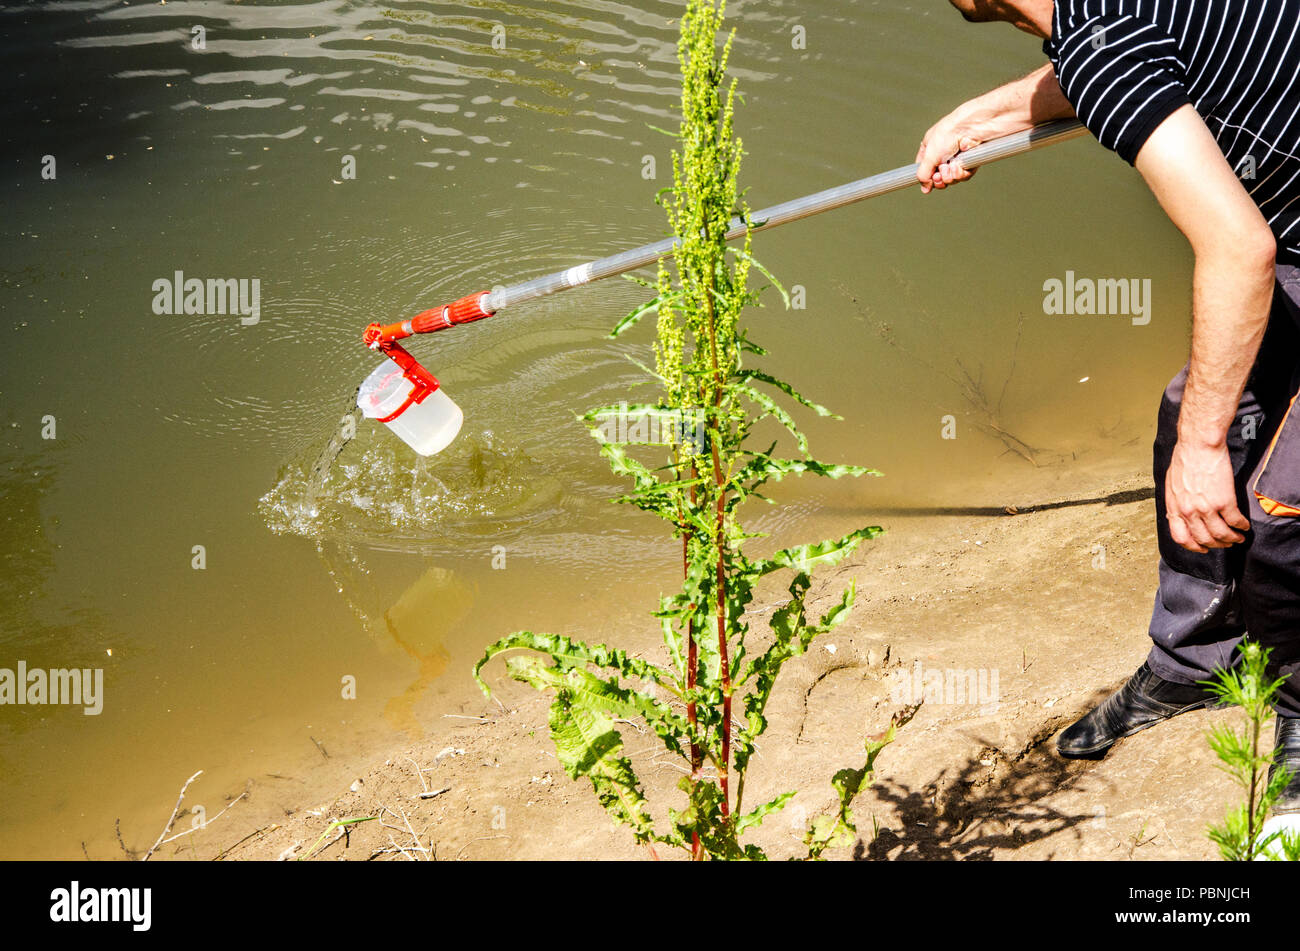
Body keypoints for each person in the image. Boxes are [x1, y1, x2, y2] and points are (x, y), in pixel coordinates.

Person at [919, 0, 1300, 839]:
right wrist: (987, 113)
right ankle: (1193, 661)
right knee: (1193, 410)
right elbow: (1133, 57)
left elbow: (1241, 250)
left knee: (1278, 500)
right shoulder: (1107, 28)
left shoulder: (1099, 49)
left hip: (1279, 242)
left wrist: (1204, 450)